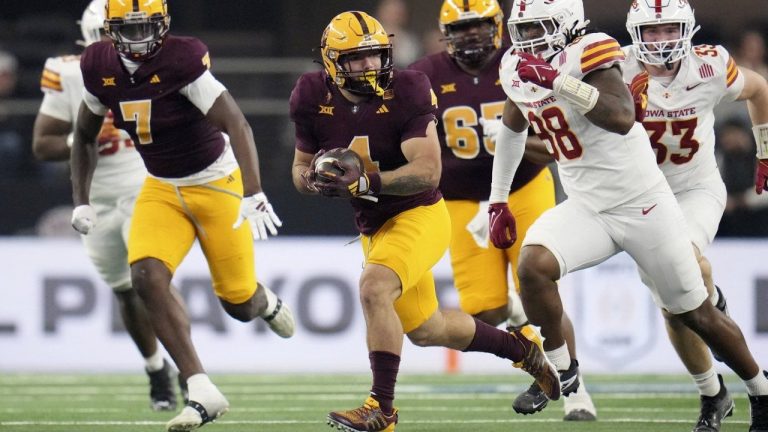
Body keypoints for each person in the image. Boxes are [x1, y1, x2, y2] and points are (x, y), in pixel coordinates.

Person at [489, 1, 768, 431]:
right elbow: (514, 125)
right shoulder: (517, 64)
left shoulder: (596, 52)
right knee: (533, 265)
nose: (528, 39)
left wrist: (557, 81)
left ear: (565, 24)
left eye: (540, 27)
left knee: (694, 311)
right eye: (522, 29)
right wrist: (498, 199)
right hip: (589, 205)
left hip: (649, 201)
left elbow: (620, 117)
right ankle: (562, 374)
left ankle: (760, 391)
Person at [290, 11, 560, 432]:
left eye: (376, 56)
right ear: (331, 63)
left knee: (374, 287)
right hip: (374, 225)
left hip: (419, 212)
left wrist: (364, 180)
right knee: (427, 329)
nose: (370, 67)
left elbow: (427, 171)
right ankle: (521, 350)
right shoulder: (310, 94)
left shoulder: (409, 87)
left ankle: (382, 409)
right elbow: (300, 170)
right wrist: (316, 180)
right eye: (357, 60)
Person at [68, 1, 294, 431]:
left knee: (239, 304)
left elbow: (237, 124)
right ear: (110, 31)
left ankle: (265, 301)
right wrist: (81, 198)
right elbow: (83, 135)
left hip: (215, 184)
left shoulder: (181, 59)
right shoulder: (97, 63)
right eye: (127, 29)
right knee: (145, 277)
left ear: (163, 25)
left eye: (145, 27)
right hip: (161, 187)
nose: (138, 38)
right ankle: (201, 388)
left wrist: (254, 191)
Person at [408, 0, 595, 421]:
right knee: (486, 309)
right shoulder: (425, 75)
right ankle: (526, 334)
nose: (470, 34)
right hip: (457, 200)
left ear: (497, 27)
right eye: (461, 28)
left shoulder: (523, 63)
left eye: (478, 25)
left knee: (543, 292)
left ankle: (576, 392)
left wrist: (514, 139)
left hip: (522, 189)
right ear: (444, 33)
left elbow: (555, 149)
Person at [33, 0, 186, 412]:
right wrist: (81, 139)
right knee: (122, 288)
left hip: (143, 184)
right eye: (109, 34)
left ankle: (191, 371)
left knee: (151, 275)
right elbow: (42, 144)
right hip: (97, 196)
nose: (125, 43)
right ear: (90, 39)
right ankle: (156, 369)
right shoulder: (69, 72)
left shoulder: (162, 64)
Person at [623, 1, 768, 429]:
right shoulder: (612, 68)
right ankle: (712, 394)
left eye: (670, 29)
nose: (662, 40)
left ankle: (715, 307)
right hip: (641, 199)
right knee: (674, 308)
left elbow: (759, 89)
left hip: (695, 189)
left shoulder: (709, 66)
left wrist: (766, 151)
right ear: (635, 34)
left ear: (687, 29)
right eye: (652, 31)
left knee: (681, 264)